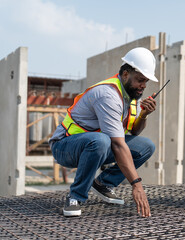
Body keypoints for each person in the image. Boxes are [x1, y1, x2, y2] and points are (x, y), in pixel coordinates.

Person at [49, 47, 158, 217]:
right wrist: (136, 184)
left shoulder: (131, 96)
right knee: (101, 141)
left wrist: (143, 115)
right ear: (126, 74)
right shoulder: (108, 95)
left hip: (97, 146)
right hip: (65, 146)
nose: (143, 85)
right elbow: (117, 144)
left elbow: (134, 133)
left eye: (146, 81)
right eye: (140, 80)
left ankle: (103, 183)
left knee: (146, 146)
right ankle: (75, 197)